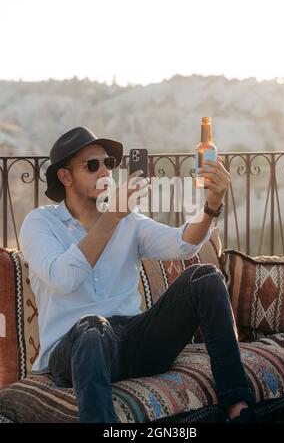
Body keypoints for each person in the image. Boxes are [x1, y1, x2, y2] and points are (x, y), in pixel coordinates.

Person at [20, 126, 256, 423]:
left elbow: (182, 244)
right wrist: (112, 218)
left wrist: (212, 205)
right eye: (92, 165)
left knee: (205, 277)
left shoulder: (127, 219)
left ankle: (239, 408)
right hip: (75, 349)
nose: (104, 171)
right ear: (65, 177)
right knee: (91, 327)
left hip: (133, 341)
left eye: (108, 163)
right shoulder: (40, 223)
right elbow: (63, 278)